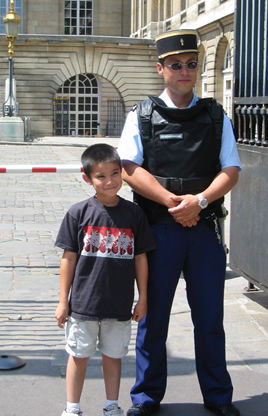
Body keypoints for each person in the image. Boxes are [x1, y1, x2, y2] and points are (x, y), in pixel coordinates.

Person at [118, 29, 242, 416]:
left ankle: (219, 397)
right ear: (161, 69)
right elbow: (128, 168)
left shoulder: (215, 115)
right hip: (158, 229)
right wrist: (171, 201)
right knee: (152, 316)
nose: (185, 71)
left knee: (210, 318)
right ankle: (146, 397)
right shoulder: (141, 114)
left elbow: (231, 169)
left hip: (203, 228)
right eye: (176, 65)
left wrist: (200, 200)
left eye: (192, 64)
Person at [55, 144, 156, 416]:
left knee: (114, 357)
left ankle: (112, 405)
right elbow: (69, 259)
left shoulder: (134, 214)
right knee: (78, 357)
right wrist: (63, 301)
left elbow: (140, 259)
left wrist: (143, 297)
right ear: (87, 178)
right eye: (101, 176)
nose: (110, 181)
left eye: (115, 173)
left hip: (119, 305)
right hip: (83, 305)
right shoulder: (78, 213)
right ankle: (72, 407)